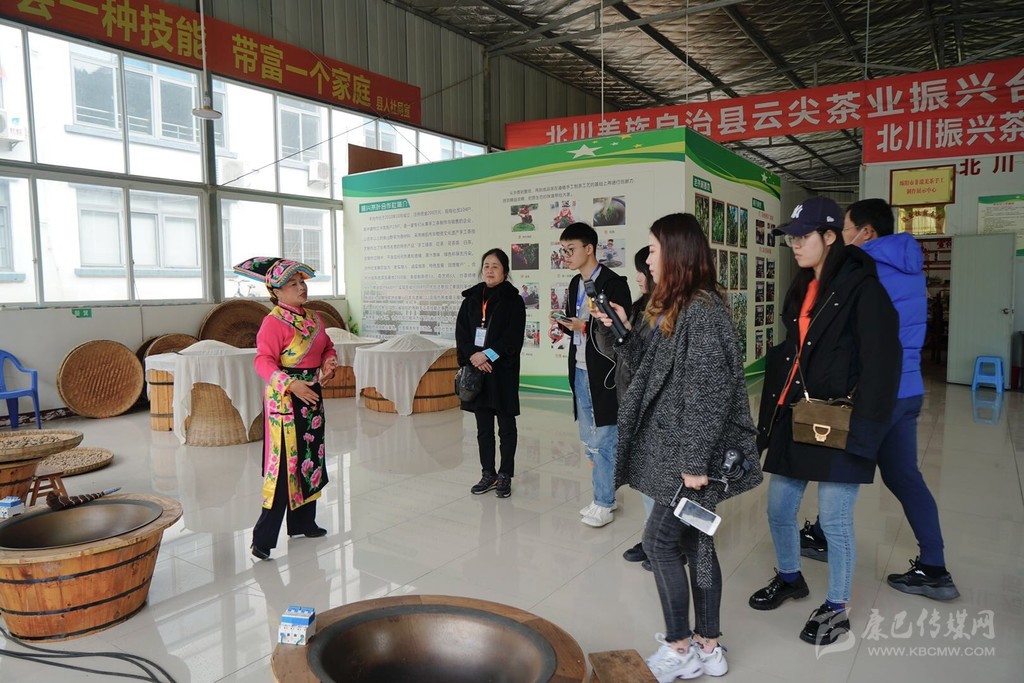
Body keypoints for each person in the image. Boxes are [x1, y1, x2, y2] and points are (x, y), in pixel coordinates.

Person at [593, 213, 762, 681]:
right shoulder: (682, 307)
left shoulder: (701, 313)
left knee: (658, 542)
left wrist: (693, 464)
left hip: (692, 458)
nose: (648, 259)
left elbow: (706, 394)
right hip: (684, 451)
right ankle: (709, 646)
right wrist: (621, 329)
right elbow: (650, 370)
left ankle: (680, 647)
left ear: (676, 253)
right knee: (696, 543)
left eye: (653, 249)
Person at [748, 198, 901, 645]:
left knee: (834, 520)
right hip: (797, 415)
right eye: (792, 238)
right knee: (779, 508)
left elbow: (882, 366)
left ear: (830, 236)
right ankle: (790, 577)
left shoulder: (864, 290)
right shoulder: (802, 287)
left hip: (843, 422)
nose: (795, 245)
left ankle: (837, 607)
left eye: (804, 237)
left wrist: (865, 435)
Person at [799, 199, 958, 600]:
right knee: (904, 476)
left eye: (845, 228)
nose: (841, 236)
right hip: (908, 389)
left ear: (866, 232)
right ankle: (934, 566)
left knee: (839, 467)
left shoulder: (865, 269)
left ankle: (823, 538)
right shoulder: (910, 267)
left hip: (873, 391)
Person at [235, 257, 338, 562]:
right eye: (292, 284)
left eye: (301, 282)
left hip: (312, 395)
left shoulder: (315, 318)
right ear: (276, 292)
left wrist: (329, 363)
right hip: (285, 400)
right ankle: (263, 538)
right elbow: (262, 361)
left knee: (310, 458)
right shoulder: (273, 322)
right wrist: (291, 385)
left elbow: (327, 346)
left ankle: (303, 523)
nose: (301, 287)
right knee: (283, 468)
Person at [552, 222, 631, 527]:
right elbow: (577, 326)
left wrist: (583, 326)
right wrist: (564, 324)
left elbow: (621, 331)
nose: (566, 255)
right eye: (563, 250)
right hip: (580, 367)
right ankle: (604, 492)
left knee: (605, 436)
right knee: (588, 438)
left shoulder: (614, 283)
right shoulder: (575, 283)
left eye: (570, 249)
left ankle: (604, 501)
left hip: (605, 372)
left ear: (589, 249)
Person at [456, 249, 527, 499]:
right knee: (483, 427)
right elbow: (462, 334)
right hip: (478, 373)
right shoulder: (471, 299)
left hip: (502, 372)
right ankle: (488, 473)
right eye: (486, 265)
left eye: (495, 266)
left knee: (506, 426)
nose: (489, 270)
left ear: (505, 271)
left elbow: (513, 338)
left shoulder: (513, 301)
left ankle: (505, 474)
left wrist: (488, 355)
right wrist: (474, 357)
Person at [617, 247, 656, 570]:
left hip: (656, 408)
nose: (639, 276)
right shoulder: (641, 307)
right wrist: (614, 327)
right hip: (634, 400)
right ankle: (653, 537)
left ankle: (668, 542)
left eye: (644, 267)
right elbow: (629, 354)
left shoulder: (677, 312)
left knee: (660, 481)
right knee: (646, 479)